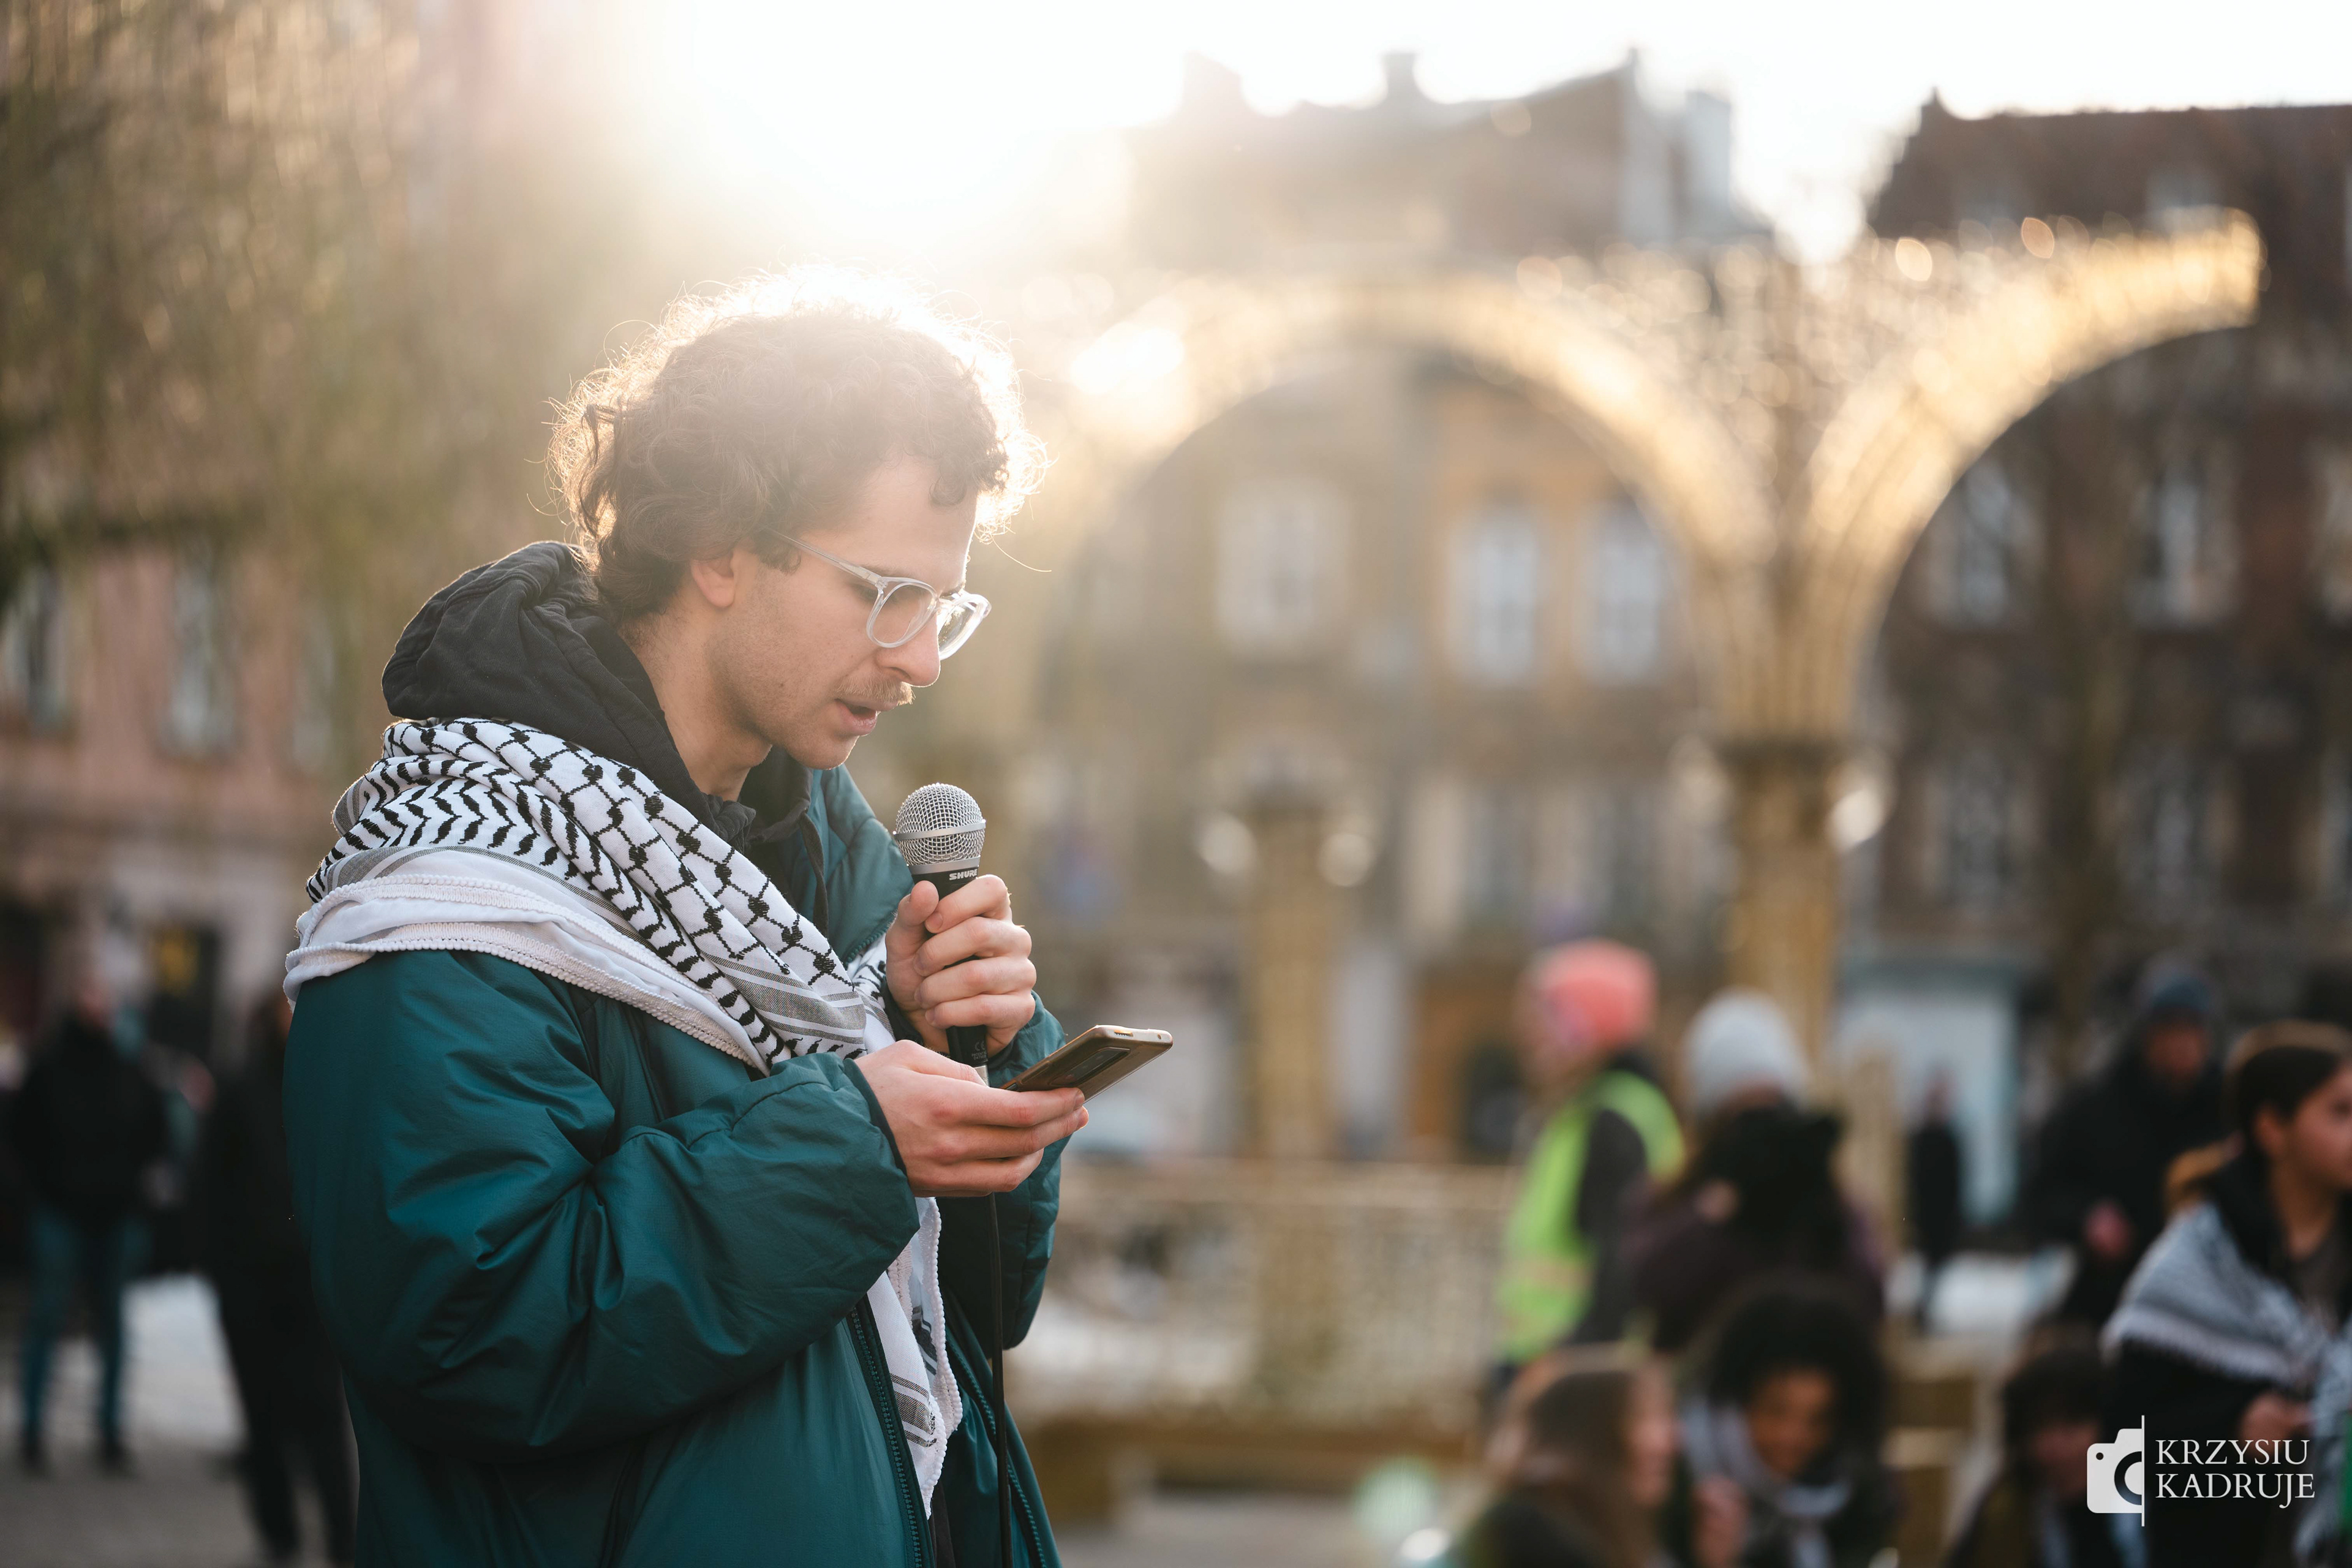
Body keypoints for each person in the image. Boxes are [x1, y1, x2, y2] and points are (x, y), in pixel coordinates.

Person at [279, 274, 1089, 1566]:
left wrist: (958, 1046)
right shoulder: (450, 901)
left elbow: (985, 1314)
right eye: (888, 593)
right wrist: (857, 1139)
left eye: (945, 605)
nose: (923, 659)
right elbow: (467, 1336)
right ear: (719, 548)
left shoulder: (847, 876)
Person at [2105, 1022, 2352, 1567]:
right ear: (2272, 1129)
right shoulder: (2190, 1267)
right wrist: (2232, 1433)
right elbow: (2114, 1471)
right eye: (2340, 1113)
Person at [1625, 991, 1884, 1354]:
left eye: (1773, 1108)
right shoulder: (1681, 1199)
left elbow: (1870, 1300)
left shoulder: (1828, 1198)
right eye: (1744, 1115)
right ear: (1711, 1123)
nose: (1761, 1132)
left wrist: (1824, 1210)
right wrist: (1709, 1215)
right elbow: (1647, 1288)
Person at [192, 995, 356, 1564]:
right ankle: (283, 1532)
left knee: (318, 1411)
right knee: (264, 1412)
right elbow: (210, 1185)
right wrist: (217, 1267)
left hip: (303, 1277)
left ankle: (340, 1535)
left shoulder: (322, 1087)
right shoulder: (243, 1091)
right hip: (254, 1278)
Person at [1494, 941, 1686, 1371]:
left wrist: (1565, 1367)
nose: (1530, 1036)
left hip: (1575, 1374)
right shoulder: (1589, 1113)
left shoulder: (1613, 1123)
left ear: (1590, 1026)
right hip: (1555, 1363)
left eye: (1548, 1018)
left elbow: (1618, 1269)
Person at [7, 971, 168, 1474]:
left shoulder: (130, 1068)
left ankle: (109, 1432)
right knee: (47, 1320)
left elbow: (156, 1133)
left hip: (114, 1216)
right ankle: (33, 1431)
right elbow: (21, 1137)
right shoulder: (50, 1066)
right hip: (61, 1213)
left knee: (111, 1327)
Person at [2028, 967, 2225, 1327]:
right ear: (2146, 1034)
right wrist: (2087, 1218)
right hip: (2114, 1299)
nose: (2182, 1043)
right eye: (2170, 1028)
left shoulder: (2230, 1109)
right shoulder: (2094, 1106)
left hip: (2211, 1301)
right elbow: (2041, 1192)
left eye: (2192, 1028)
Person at [1660, 1287, 1898, 1568]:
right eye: (1775, 1412)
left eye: (1818, 1419)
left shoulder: (1855, 1500)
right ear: (1737, 1405)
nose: (1792, 1437)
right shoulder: (1674, 1488)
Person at [1461, 1349, 1740, 1568]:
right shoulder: (1530, 1528)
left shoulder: (1610, 1529)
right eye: (1647, 1417)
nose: (1673, 1440)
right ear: (1588, 1429)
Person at [1944, 1340, 2141, 1568]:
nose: (2054, 1448)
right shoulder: (2009, 1516)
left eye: (2072, 1424)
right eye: (2040, 1427)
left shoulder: (2153, 1508)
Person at [1907, 1074, 1965, 1331]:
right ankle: (1923, 1310)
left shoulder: (1944, 1137)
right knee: (1931, 1265)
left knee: (1934, 1266)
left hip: (1940, 1213)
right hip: (1931, 1214)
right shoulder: (1924, 1138)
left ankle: (1924, 1309)